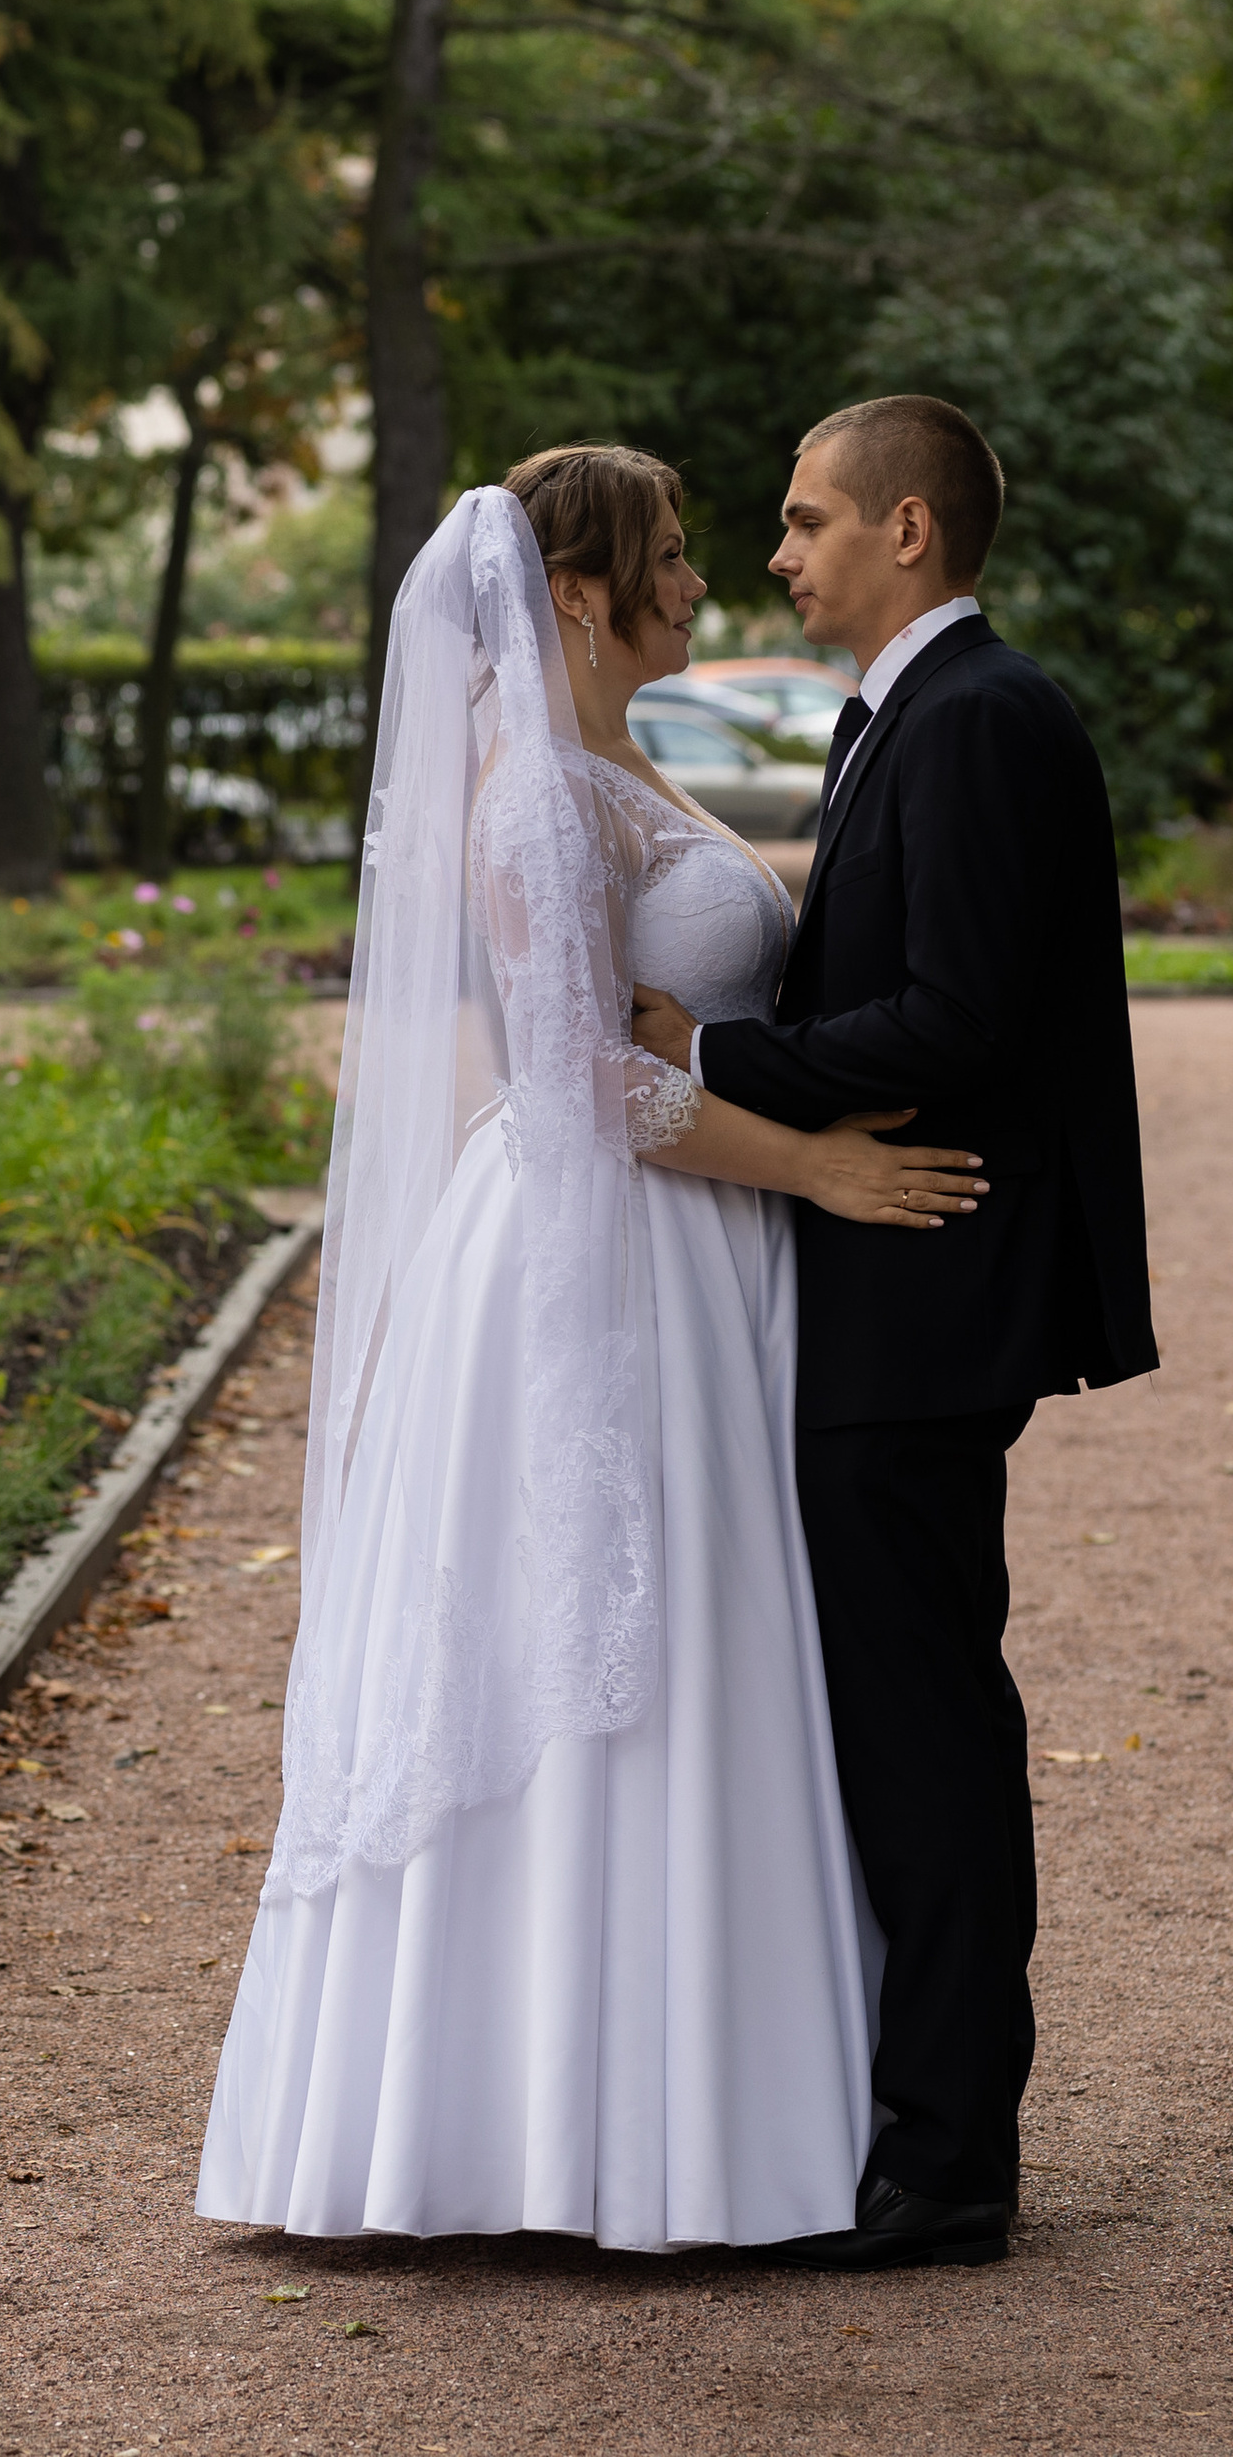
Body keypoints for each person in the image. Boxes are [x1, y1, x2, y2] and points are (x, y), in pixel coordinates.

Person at [194, 450, 992, 2252]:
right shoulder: (531, 799)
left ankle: (715, 2100)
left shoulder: (626, 771)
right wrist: (820, 1166)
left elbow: (686, 1011)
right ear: (577, 592)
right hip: (602, 1252)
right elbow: (576, 1083)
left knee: (719, 1646)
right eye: (674, 556)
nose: (707, 582)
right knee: (596, 1649)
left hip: (704, 1254)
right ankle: (554, 2127)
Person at [630, 397, 1155, 2269]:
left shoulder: (980, 720)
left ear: (908, 529)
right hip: (892, 1296)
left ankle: (947, 2160)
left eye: (804, 519)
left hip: (929, 1295)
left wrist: (718, 1057)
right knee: (899, 1706)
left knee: (925, 1721)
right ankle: (910, 2112)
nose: (779, 554)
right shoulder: (915, 717)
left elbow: (960, 1021)